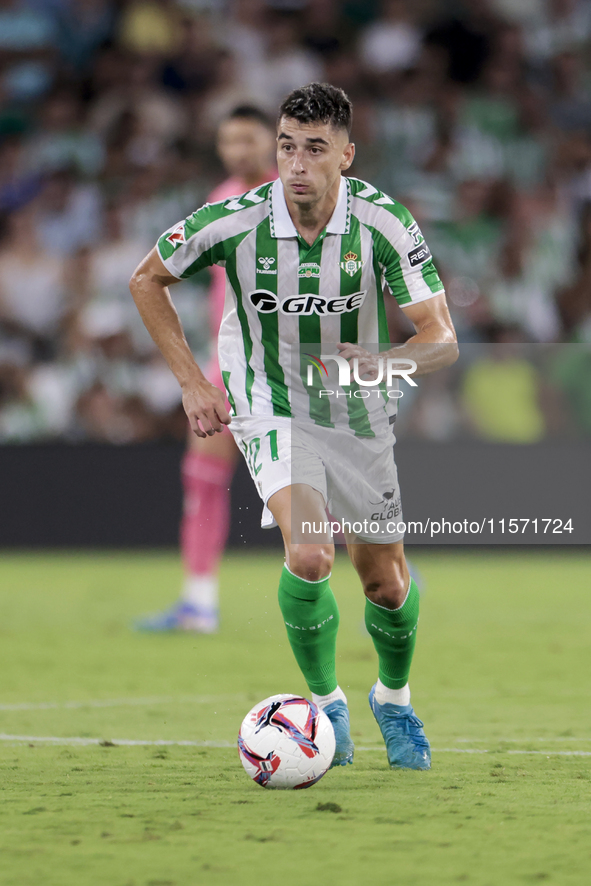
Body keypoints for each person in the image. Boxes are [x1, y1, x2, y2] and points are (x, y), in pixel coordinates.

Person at [130, 83, 458, 771]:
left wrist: (382, 361)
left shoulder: (383, 222)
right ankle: (325, 706)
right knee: (310, 555)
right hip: (269, 403)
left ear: (346, 154)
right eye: (286, 147)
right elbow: (147, 278)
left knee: (387, 586)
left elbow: (440, 338)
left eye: (314, 149)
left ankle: (392, 700)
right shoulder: (237, 218)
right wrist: (193, 381)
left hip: (358, 411)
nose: (296, 164)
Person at [137, 105, 276, 632]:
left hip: (289, 365)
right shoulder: (220, 198)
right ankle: (198, 602)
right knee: (203, 476)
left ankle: (388, 573)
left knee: (317, 492)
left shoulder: (294, 197)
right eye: (229, 141)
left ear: (273, 141)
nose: (239, 150)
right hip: (229, 363)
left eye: (249, 139)